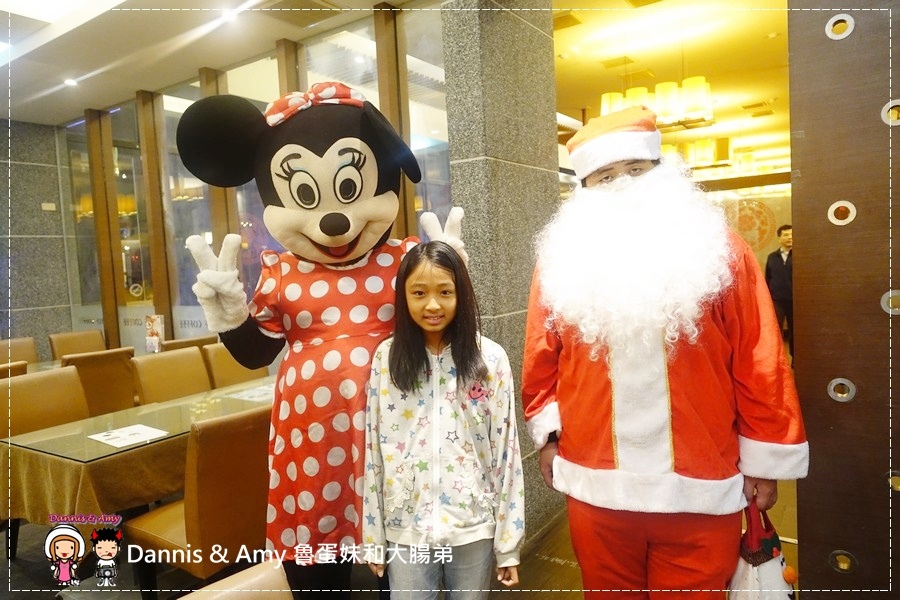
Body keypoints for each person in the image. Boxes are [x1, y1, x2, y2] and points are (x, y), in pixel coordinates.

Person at [177, 83, 464, 598]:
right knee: (315, 560)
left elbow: (444, 338)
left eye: (349, 188)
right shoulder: (281, 272)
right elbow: (258, 352)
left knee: (404, 563)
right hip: (311, 443)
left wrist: (450, 284)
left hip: (397, 437)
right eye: (305, 196)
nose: (333, 222)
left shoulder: (403, 260)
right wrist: (231, 317)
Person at [521, 105, 808, 598]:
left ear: (662, 173)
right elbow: (541, 356)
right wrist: (548, 436)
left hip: (700, 484)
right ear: (584, 191)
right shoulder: (560, 262)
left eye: (635, 170)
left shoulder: (721, 250)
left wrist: (765, 459)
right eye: (606, 175)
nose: (624, 185)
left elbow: (760, 359)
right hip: (596, 486)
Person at [363, 241, 524, 599]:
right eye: (419, 293)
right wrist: (373, 538)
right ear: (403, 296)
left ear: (461, 294)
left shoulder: (490, 359)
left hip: (473, 525)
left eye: (445, 292)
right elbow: (372, 449)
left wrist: (508, 542)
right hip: (406, 525)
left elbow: (507, 453)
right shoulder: (386, 358)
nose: (432, 304)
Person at [765, 224, 794, 360]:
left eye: (792, 235)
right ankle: (777, 359)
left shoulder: (801, 256)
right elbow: (767, 278)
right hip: (777, 300)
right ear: (779, 238)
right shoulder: (772, 257)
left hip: (795, 301)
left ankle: (795, 358)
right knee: (775, 330)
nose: (790, 237)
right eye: (786, 235)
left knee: (795, 331)